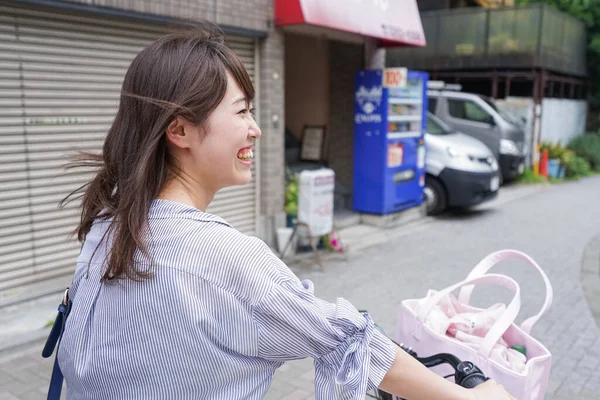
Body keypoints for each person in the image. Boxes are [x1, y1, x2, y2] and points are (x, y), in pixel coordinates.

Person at [57, 23, 515, 400]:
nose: (255, 128)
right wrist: (468, 397)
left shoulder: (108, 230)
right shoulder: (225, 258)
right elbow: (346, 338)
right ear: (180, 129)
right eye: (241, 111)